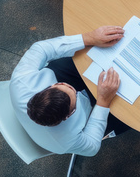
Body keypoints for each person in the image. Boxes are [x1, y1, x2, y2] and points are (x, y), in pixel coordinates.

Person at [9, 26, 130, 157]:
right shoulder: (65, 141)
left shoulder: (21, 81)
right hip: (91, 107)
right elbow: (93, 146)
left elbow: (41, 48)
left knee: (85, 54)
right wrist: (103, 101)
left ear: (45, 89)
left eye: (59, 85)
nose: (68, 86)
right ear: (69, 115)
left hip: (61, 74)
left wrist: (88, 38)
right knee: (127, 117)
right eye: (74, 95)